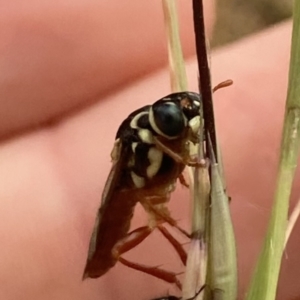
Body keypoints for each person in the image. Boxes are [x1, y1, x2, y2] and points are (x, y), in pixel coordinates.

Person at [0, 1, 298, 299]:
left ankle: (181, 263)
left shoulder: (157, 135)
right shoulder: (142, 144)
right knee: (125, 243)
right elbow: (148, 191)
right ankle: (174, 269)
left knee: (158, 219)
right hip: (123, 208)